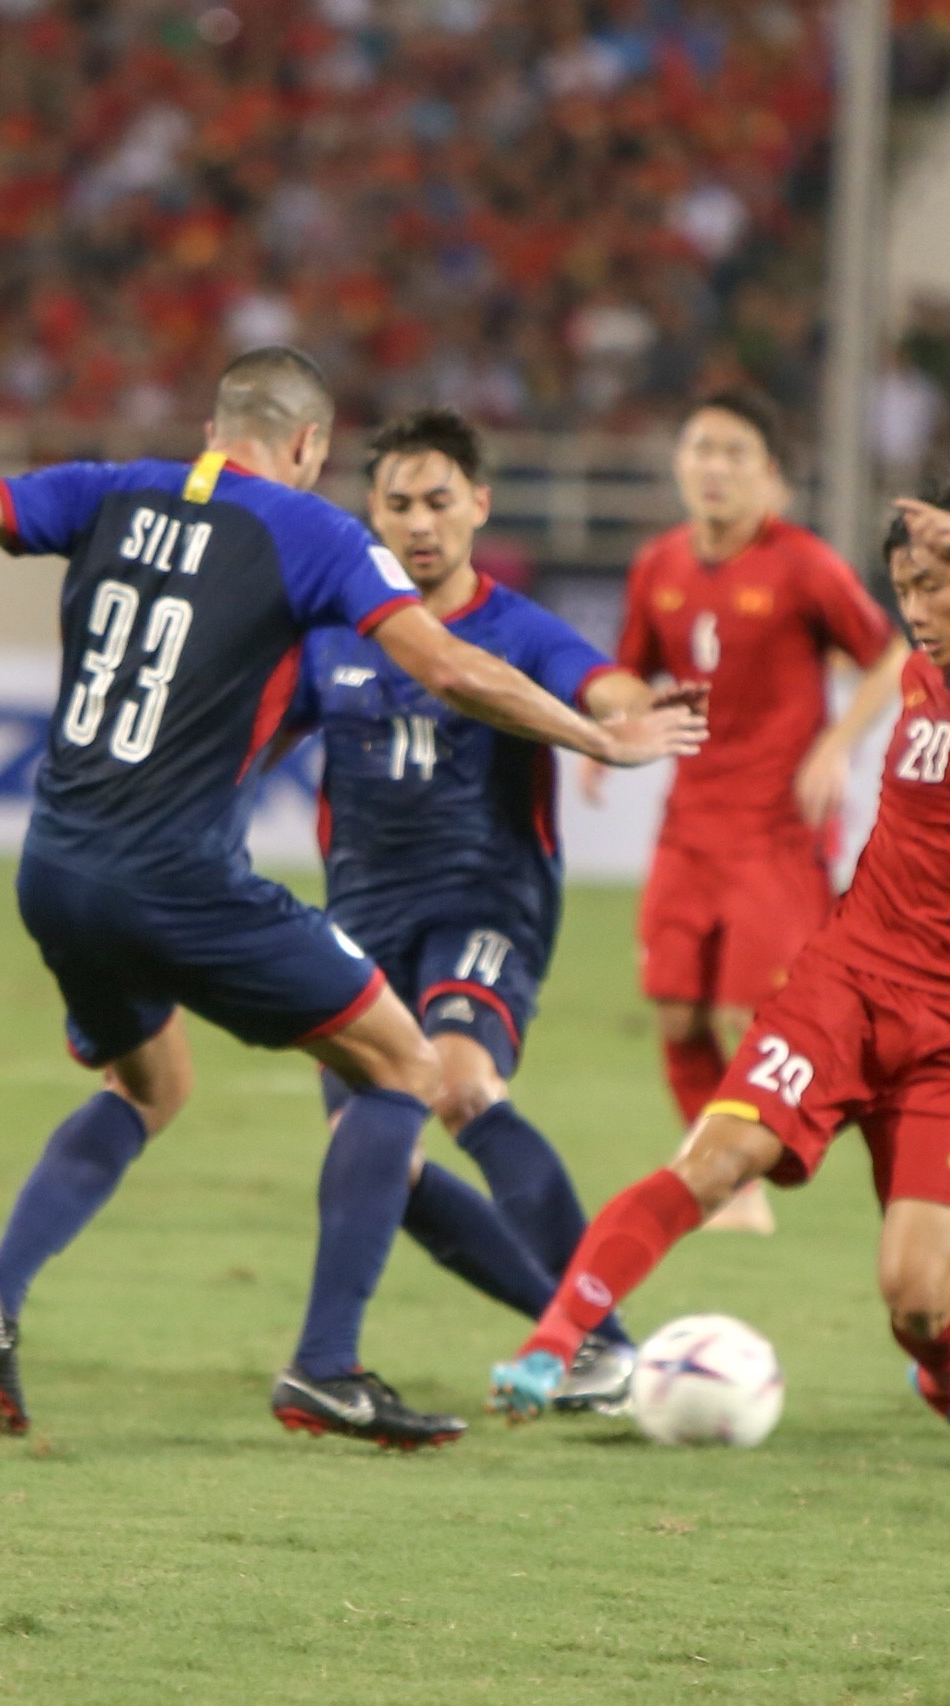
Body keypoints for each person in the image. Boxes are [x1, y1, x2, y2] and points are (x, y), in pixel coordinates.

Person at [0, 349, 704, 1449]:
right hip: (180, 882)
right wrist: (599, 737)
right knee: (408, 1069)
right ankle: (329, 1367)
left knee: (149, 1084)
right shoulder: (314, 534)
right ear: (311, 449)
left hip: (54, 868)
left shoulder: (106, 488)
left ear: (212, 426)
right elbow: (452, 670)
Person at [488, 478, 950, 1445]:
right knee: (715, 1159)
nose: (921, 612)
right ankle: (553, 1344)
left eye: (943, 587)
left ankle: (949, 1384)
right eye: (906, 587)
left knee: (915, 1295)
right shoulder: (916, 677)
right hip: (846, 981)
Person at [289, 407, 675, 1413]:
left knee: (457, 1083)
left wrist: (627, 713)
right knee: (379, 1158)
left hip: (487, 901)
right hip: (363, 913)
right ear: (370, 512)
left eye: (440, 502)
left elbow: (597, 682)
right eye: (399, 504)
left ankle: (595, 1334)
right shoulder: (331, 630)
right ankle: (589, 1337)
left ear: (480, 506)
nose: (420, 524)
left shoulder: (512, 628)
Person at [591, 390, 907, 1234]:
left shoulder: (803, 563)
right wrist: (603, 737)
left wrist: (835, 745)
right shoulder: (657, 564)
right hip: (689, 823)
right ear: (679, 465)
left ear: (769, 476)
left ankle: (761, 1164)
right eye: (701, 449)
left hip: (777, 830)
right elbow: (629, 673)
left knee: (749, 1016)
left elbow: (890, 656)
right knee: (672, 1009)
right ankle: (724, 1175)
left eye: (736, 453)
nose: (715, 467)